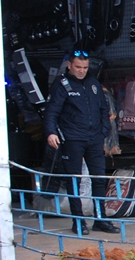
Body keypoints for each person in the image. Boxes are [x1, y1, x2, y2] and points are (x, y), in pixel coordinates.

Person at [43, 51, 119, 234]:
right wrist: (51, 133)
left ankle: (100, 219)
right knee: (74, 180)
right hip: (72, 138)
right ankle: (78, 221)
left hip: (94, 138)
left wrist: (103, 132)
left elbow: (104, 109)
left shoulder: (93, 83)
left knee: (99, 179)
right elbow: (52, 111)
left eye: (85, 67)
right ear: (69, 65)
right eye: (78, 67)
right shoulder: (62, 84)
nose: (81, 71)